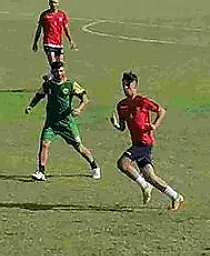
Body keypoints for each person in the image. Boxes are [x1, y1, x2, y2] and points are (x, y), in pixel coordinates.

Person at [111, 71, 185, 210]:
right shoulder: (121, 105)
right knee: (150, 176)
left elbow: (161, 111)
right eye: (124, 85)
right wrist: (116, 124)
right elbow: (122, 127)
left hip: (145, 143)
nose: (126, 88)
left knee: (123, 163)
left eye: (128, 85)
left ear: (135, 86)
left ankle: (145, 185)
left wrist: (155, 125)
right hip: (136, 143)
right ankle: (175, 196)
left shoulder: (142, 101)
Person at [25, 61, 101, 181]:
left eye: (61, 70)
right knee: (44, 144)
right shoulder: (48, 85)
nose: (59, 73)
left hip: (66, 123)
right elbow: (39, 96)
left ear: (64, 70)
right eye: (56, 71)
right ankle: (41, 172)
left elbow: (85, 99)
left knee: (78, 147)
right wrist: (30, 106)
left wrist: (79, 109)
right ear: (52, 72)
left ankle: (94, 166)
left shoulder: (71, 85)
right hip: (51, 123)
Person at [32, 0, 76, 67]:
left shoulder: (62, 15)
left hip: (59, 43)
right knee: (54, 65)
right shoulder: (44, 15)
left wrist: (70, 40)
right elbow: (39, 30)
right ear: (49, 3)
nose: (54, 4)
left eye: (56, 3)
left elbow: (66, 28)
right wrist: (35, 42)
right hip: (48, 43)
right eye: (52, 2)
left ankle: (52, 77)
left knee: (60, 65)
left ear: (58, 4)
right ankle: (52, 76)